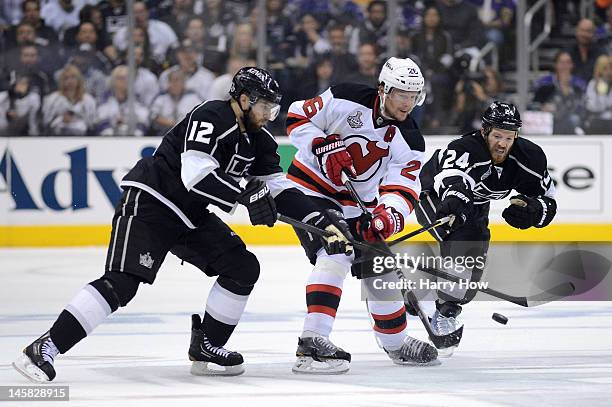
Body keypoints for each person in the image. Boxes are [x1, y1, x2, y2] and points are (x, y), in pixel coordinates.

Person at [13, 67, 351, 382]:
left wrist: (321, 222)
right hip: (152, 202)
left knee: (242, 266)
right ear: (244, 99)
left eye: (273, 110)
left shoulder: (259, 141)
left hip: (190, 216)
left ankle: (207, 347)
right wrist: (247, 195)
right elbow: (196, 175)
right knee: (122, 283)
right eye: (265, 107)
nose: (268, 116)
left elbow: (279, 188)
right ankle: (44, 348)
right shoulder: (211, 115)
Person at [285, 57, 439, 374]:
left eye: (414, 96)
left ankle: (395, 343)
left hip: (358, 205)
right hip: (308, 191)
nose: (408, 103)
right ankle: (312, 342)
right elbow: (297, 116)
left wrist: (386, 216)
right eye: (401, 94)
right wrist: (322, 144)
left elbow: (403, 188)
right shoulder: (346, 97)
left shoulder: (410, 138)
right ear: (382, 89)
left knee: (379, 265)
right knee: (336, 250)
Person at [414, 101, 557, 356]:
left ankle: (430, 296)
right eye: (497, 136)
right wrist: (456, 202)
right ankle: (441, 311)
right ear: (485, 132)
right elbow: (451, 179)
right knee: (461, 245)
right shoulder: (465, 149)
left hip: (476, 205)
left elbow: (548, 200)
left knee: (470, 277)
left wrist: (534, 210)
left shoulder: (529, 158)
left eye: (509, 137)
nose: (502, 143)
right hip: (432, 194)